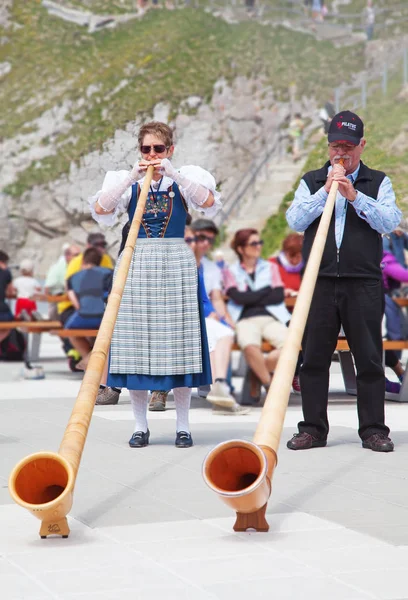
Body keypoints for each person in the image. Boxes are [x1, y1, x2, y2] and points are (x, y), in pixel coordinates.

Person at [89, 120, 220, 448]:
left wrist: (173, 174)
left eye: (157, 149)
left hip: (175, 261)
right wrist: (133, 177)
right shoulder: (126, 181)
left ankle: (183, 426)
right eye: (145, 149)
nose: (151, 154)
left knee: (180, 346)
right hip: (137, 262)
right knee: (136, 347)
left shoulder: (185, 178)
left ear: (169, 150)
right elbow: (101, 208)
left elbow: (207, 202)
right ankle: (139, 425)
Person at [286, 110, 401, 453]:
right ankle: (313, 429)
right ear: (327, 145)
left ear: (362, 146)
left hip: (363, 281)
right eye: (336, 146)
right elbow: (295, 219)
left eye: (349, 147)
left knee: (368, 359)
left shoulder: (378, 181)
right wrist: (326, 192)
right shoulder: (311, 180)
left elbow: (390, 221)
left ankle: (373, 430)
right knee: (314, 359)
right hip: (319, 281)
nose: (342, 154)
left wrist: (354, 196)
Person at [223, 229, 294, 402]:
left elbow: (277, 295)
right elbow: (238, 298)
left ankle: (258, 372)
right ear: (241, 249)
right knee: (249, 345)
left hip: (271, 317)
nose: (258, 246)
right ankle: (270, 385)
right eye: (253, 243)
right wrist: (265, 291)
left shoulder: (271, 267)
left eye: (259, 242)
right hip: (245, 319)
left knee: (290, 346)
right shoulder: (230, 271)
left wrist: (250, 296)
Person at [65, 247, 113, 371]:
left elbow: (77, 305)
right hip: (104, 318)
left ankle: (89, 361)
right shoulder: (109, 273)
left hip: (83, 318)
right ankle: (92, 361)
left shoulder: (73, 278)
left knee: (70, 331)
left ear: (83, 261)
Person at [191, 219, 234, 328]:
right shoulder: (177, 262)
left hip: (209, 315)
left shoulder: (212, 268)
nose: (206, 243)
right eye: (201, 238)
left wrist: (227, 321)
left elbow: (217, 299)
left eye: (210, 240)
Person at [44, 243, 81, 319]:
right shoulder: (58, 268)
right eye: (77, 255)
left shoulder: (80, 267)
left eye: (80, 255)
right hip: (61, 308)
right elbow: (47, 288)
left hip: (73, 307)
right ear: (67, 256)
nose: (80, 258)